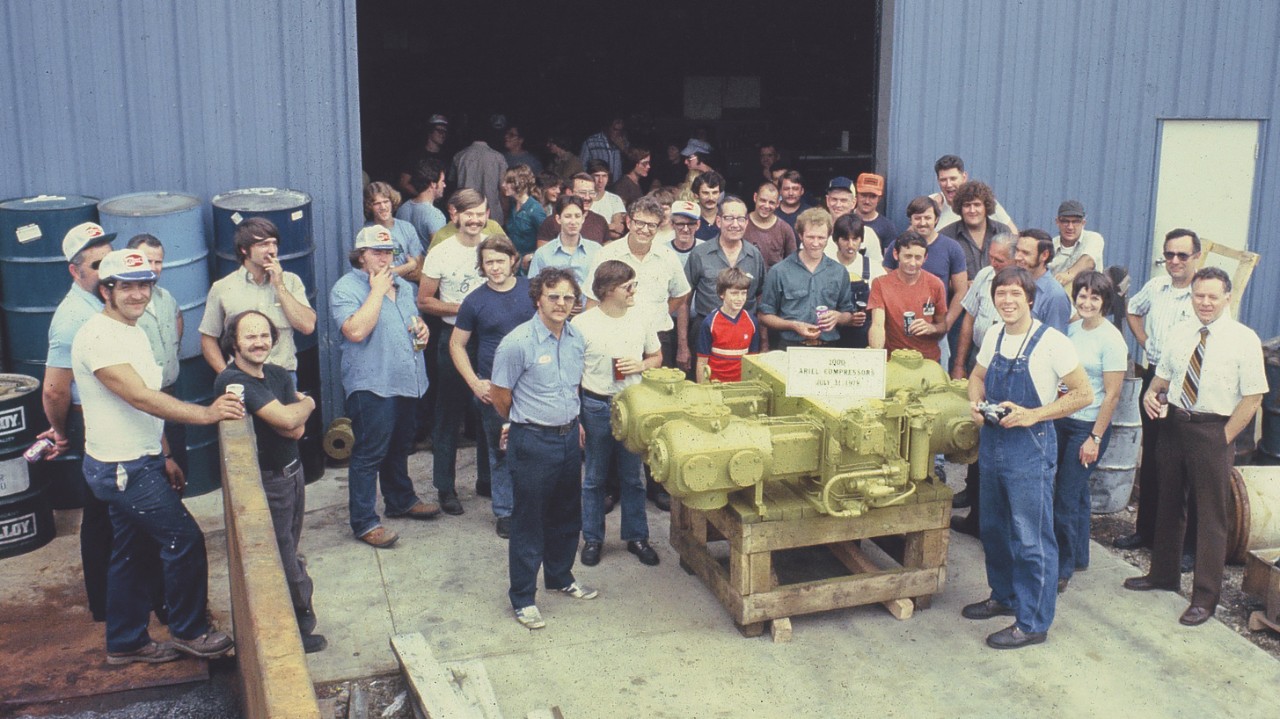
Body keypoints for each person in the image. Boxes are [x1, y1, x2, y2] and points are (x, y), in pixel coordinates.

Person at [72, 248, 244, 664]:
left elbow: (145, 404)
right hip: (122, 467)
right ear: (106, 290)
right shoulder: (98, 337)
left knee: (132, 553)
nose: (137, 294)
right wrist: (207, 413)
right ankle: (190, 632)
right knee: (183, 540)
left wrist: (164, 453)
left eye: (144, 285)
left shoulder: (132, 330)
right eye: (126, 286)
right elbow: (140, 397)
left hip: (139, 460)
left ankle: (125, 642)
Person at [1123, 267, 1267, 627]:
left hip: (1213, 431)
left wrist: (1223, 438)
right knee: (1168, 503)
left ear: (1227, 298)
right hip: (1174, 425)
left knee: (1211, 517)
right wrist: (1151, 398)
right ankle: (1163, 575)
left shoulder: (1243, 339)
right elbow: (1163, 377)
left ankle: (1204, 597)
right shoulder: (1181, 331)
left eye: (1212, 297)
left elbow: (1252, 398)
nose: (1204, 302)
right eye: (1199, 295)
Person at [962, 266, 1090, 650]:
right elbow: (977, 376)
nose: (1008, 301)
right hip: (993, 443)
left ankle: (1033, 622)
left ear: (1030, 299)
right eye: (1001, 294)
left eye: (1016, 294)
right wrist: (975, 402)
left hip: (1029, 448)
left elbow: (1082, 394)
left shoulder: (1053, 342)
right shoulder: (995, 335)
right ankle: (1004, 596)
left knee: (1032, 538)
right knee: (994, 529)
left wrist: (1033, 414)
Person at [38, 222, 143, 624]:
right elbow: (54, 390)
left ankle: (126, 597)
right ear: (75, 271)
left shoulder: (107, 301)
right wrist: (63, 433)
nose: (106, 269)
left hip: (118, 414)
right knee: (101, 515)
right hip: (92, 419)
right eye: (97, 264)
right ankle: (105, 605)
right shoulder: (70, 319)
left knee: (117, 511)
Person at [491, 267, 598, 630]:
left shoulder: (576, 339)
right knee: (529, 521)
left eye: (568, 297)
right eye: (554, 296)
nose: (561, 303)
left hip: (569, 437)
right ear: (538, 297)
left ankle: (560, 576)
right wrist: (520, 424)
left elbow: (572, 389)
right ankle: (523, 598)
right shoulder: (517, 343)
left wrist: (575, 422)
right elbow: (500, 396)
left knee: (567, 513)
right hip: (532, 441)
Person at [215, 310, 325, 653]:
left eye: (264, 335)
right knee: (283, 558)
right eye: (250, 336)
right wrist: (308, 401)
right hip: (268, 483)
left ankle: (297, 621)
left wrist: (294, 415)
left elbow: (296, 428)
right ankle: (298, 628)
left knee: (290, 547)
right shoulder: (232, 381)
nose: (259, 342)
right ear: (234, 342)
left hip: (294, 474)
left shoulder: (277, 374)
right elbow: (286, 418)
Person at [331, 226, 440, 548]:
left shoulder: (404, 287)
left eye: (389, 252)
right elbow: (355, 331)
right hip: (372, 383)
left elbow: (410, 323)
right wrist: (377, 290)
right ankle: (364, 522)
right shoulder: (346, 288)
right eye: (377, 252)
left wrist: (422, 331)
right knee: (369, 452)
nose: (384, 258)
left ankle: (401, 499)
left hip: (407, 378)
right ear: (360, 256)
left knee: (399, 445)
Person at [1115, 229, 1201, 554]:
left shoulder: (1202, 293)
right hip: (1155, 381)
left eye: (1182, 255)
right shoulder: (1157, 287)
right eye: (1169, 255)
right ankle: (1145, 533)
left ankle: (1188, 547)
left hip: (1187, 385)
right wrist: (1145, 342)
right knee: (1152, 457)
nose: (1175, 261)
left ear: (1196, 257)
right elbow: (1133, 309)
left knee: (1186, 466)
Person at [575, 260, 663, 567]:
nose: (633, 291)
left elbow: (656, 356)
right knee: (595, 477)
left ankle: (637, 537)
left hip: (632, 405)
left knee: (633, 477)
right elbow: (571, 375)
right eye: (628, 286)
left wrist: (640, 365)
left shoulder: (641, 318)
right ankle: (593, 539)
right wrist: (577, 420)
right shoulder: (583, 324)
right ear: (609, 290)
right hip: (596, 404)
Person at [450, 235, 536, 538]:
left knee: (538, 448)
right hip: (496, 389)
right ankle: (506, 511)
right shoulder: (475, 300)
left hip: (534, 385)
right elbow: (457, 345)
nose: (495, 267)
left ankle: (536, 508)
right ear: (481, 266)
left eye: (500, 260)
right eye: (489, 262)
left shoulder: (532, 291)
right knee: (501, 450)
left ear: (513, 259)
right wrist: (474, 383)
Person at [1055, 272, 1127, 593]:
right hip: (1062, 418)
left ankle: (1062, 567)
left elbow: (1112, 395)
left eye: (1094, 298)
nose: (1086, 303)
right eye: (1081, 296)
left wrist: (1095, 438)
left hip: (1088, 426)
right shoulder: (1071, 329)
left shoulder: (1112, 341)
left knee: (1065, 498)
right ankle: (1080, 555)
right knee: (1077, 491)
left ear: (1105, 302)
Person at [419, 190, 490, 516]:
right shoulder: (441, 251)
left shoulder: (493, 247)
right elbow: (425, 301)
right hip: (452, 337)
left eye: (480, 213)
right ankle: (445, 488)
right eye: (469, 214)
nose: (475, 220)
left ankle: (487, 480)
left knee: (490, 408)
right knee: (448, 413)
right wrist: (463, 308)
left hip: (489, 337)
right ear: (455, 215)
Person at [949, 233, 1017, 533]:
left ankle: (991, 516)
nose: (993, 263)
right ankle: (973, 499)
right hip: (980, 359)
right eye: (991, 256)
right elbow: (968, 320)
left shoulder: (1021, 286)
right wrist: (960, 364)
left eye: (1000, 259)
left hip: (1008, 368)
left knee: (997, 437)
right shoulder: (986, 276)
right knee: (976, 428)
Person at [585, 196, 691, 375]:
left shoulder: (668, 257)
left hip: (658, 339)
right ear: (628, 221)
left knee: (658, 397)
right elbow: (592, 302)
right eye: (639, 223)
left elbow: (681, 294)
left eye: (652, 225)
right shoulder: (606, 254)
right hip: (616, 339)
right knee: (619, 395)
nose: (645, 230)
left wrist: (660, 312)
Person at [199, 217, 316, 374]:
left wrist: (279, 285)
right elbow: (208, 339)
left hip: (283, 376)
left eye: (274, 243)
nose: (272, 250)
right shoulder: (222, 287)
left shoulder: (291, 281)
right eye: (263, 244)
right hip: (242, 376)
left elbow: (307, 326)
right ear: (244, 249)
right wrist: (226, 374)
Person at [882, 196, 968, 364]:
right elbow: (885, 284)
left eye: (927, 217)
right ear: (911, 219)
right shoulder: (897, 245)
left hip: (935, 325)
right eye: (917, 218)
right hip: (898, 331)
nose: (922, 223)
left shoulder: (952, 248)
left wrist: (943, 327)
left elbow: (961, 290)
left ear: (936, 219)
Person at [682, 196, 765, 366]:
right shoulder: (700, 253)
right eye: (729, 218)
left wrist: (764, 343)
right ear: (718, 221)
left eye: (741, 219)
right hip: (705, 330)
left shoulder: (755, 255)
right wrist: (682, 346)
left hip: (743, 332)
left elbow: (761, 298)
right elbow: (684, 300)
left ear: (746, 222)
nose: (735, 224)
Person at [126, 234, 185, 473]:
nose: (153, 268)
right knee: (160, 468)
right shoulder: (126, 306)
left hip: (171, 395)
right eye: (146, 261)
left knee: (180, 466)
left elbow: (178, 318)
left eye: (157, 262)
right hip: (145, 404)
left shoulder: (164, 297)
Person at [758, 208, 855, 348]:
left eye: (821, 238)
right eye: (810, 237)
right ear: (800, 235)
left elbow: (848, 313)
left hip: (828, 347)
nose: (816, 243)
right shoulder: (779, 271)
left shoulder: (839, 272)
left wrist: (838, 317)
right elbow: (764, 316)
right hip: (790, 346)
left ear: (828, 236)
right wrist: (793, 325)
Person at [868, 232, 949, 360]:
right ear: (896, 254)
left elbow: (942, 326)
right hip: (894, 359)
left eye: (918, 258)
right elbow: (877, 325)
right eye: (907, 256)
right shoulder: (880, 284)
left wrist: (930, 328)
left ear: (925, 258)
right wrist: (876, 356)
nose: (912, 263)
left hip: (927, 359)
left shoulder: (935, 284)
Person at [937, 180, 1012, 283]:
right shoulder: (946, 236)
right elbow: (939, 279)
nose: (972, 210)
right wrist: (962, 285)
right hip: (962, 297)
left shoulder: (1003, 231)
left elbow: (1013, 268)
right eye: (967, 205)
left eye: (977, 205)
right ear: (960, 208)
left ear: (986, 206)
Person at [696, 267, 760, 382]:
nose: (740, 298)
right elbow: (701, 362)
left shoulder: (752, 322)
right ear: (722, 294)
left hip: (742, 386)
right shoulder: (709, 322)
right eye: (734, 293)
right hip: (715, 385)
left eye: (743, 293)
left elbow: (753, 361)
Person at [527, 195, 601, 291]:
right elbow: (533, 288)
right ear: (558, 219)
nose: (573, 222)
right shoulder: (543, 253)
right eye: (567, 216)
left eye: (577, 216)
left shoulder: (596, 250)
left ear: (583, 218)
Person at [929, 154, 1017, 233]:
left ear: (964, 177)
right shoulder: (932, 202)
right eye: (943, 180)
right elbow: (916, 236)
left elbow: (1013, 234)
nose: (948, 184)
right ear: (938, 181)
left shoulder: (982, 201)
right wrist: (934, 211)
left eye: (953, 179)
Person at [829, 215, 877, 349]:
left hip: (861, 338)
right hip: (831, 335)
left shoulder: (874, 268)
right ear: (836, 240)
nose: (850, 245)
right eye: (845, 239)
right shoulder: (824, 266)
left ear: (861, 240)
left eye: (855, 239)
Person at [1012, 229, 1072, 332]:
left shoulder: (1054, 295)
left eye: (1025, 253)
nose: (1017, 257)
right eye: (1017, 251)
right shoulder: (1014, 281)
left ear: (1044, 255)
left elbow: (1055, 341)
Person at [364, 182, 424, 283]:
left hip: (410, 293)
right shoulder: (366, 232)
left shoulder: (407, 228)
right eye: (377, 204)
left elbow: (419, 273)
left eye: (386, 201)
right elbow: (376, 276)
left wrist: (394, 273)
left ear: (392, 202)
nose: (383, 207)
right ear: (370, 207)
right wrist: (409, 266)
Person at [451, 127, 509, 224]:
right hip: (492, 216)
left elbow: (452, 185)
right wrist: (505, 213)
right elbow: (504, 190)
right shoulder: (498, 158)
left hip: (466, 213)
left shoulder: (459, 156)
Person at [535, 173, 610, 245]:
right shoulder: (552, 222)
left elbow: (608, 252)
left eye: (591, 193)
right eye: (582, 192)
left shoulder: (600, 221)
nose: (587, 197)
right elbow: (543, 255)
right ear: (569, 192)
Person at [1048, 200, 1105, 286]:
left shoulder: (1094, 238)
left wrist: (1068, 275)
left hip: (1088, 295)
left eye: (1075, 222)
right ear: (1057, 222)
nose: (1070, 227)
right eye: (1065, 221)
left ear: (1083, 223)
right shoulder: (1050, 245)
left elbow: (1088, 261)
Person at [743, 181, 797, 272]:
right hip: (745, 283)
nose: (766, 206)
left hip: (774, 283)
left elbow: (793, 264)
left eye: (771, 202)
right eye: (763, 200)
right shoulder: (741, 225)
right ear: (755, 197)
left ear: (777, 204)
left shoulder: (785, 229)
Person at [500, 164, 546, 270]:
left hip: (528, 266)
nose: (503, 185)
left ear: (520, 183)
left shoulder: (535, 209)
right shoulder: (513, 205)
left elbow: (548, 238)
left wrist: (533, 255)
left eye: (508, 182)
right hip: (513, 263)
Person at [396, 158, 449, 245]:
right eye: (442, 181)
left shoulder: (402, 209)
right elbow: (438, 252)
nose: (444, 185)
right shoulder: (435, 215)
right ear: (433, 184)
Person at [397, 114, 450, 197]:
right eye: (439, 131)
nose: (443, 135)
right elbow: (403, 183)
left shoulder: (446, 157)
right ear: (430, 131)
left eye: (445, 132)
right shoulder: (415, 156)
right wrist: (421, 198)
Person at [586, 159, 628, 240]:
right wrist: (609, 227)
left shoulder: (615, 199)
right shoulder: (584, 198)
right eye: (597, 176)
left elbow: (617, 231)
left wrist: (593, 228)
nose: (600, 180)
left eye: (604, 176)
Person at [854, 172, 898, 245]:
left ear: (879, 198)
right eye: (863, 195)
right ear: (856, 195)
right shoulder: (844, 220)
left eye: (872, 197)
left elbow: (889, 255)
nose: (867, 201)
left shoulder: (887, 227)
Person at [580, 116, 627, 182]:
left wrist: (624, 149)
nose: (617, 134)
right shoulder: (591, 142)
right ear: (608, 127)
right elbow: (581, 168)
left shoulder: (624, 143)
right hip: (596, 186)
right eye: (615, 130)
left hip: (616, 188)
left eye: (620, 131)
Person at [666, 199, 704, 268]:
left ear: (698, 225)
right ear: (672, 224)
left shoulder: (706, 250)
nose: (685, 229)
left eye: (690, 224)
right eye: (680, 224)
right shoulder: (663, 251)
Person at [692, 171, 725, 242]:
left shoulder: (727, 216)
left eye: (715, 193)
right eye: (705, 193)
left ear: (720, 194)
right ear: (696, 195)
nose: (711, 198)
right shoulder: (690, 218)